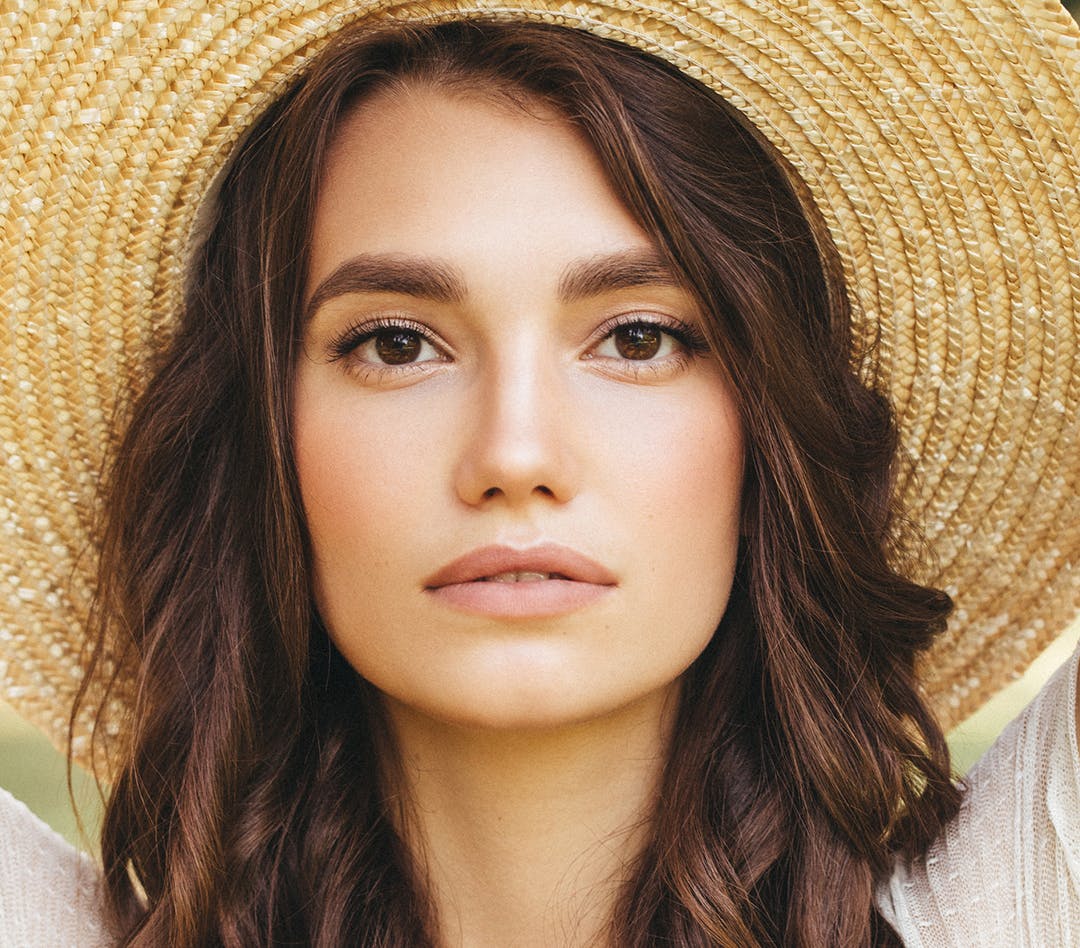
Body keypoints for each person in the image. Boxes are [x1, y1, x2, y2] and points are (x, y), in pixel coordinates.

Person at [0, 2, 1077, 947]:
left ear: (771, 430)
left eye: (641, 337)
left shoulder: (1019, 909)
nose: (515, 457)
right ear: (260, 440)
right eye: (394, 344)